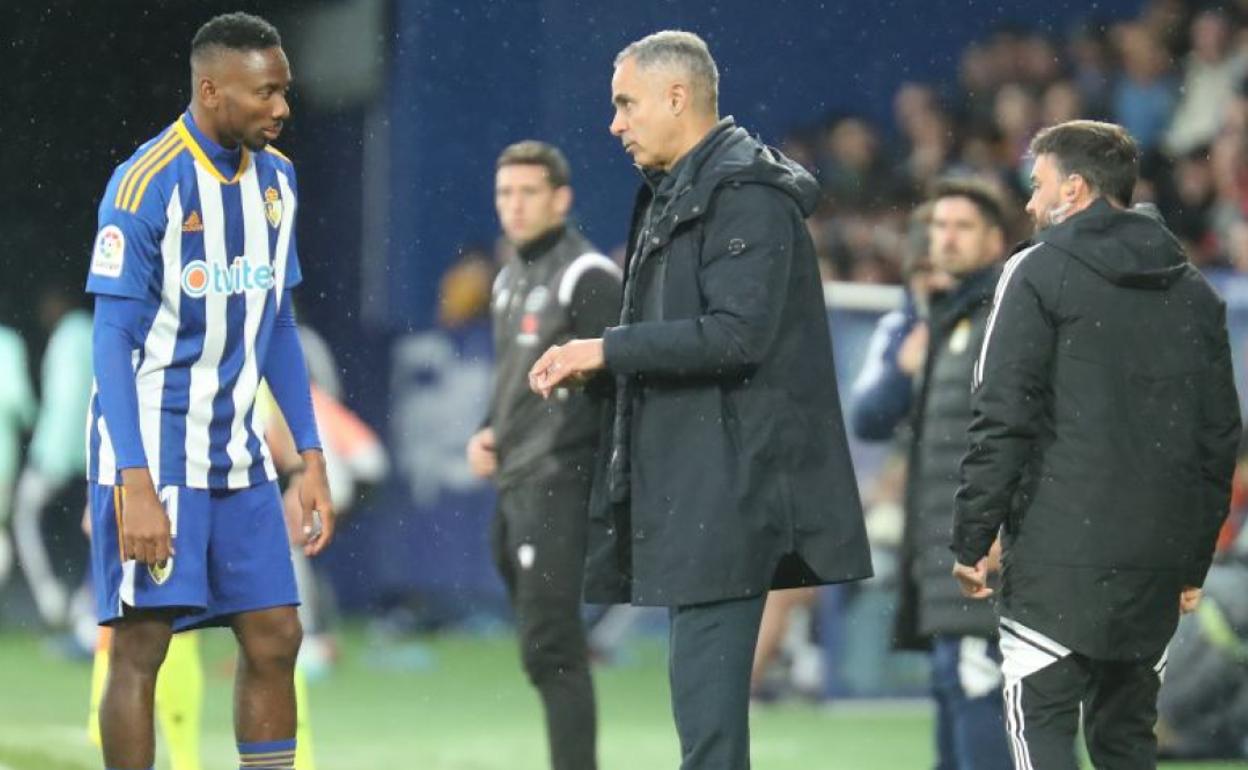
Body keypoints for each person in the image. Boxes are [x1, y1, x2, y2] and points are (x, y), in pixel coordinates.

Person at [528, 30, 873, 769]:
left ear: (677, 97)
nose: (614, 124)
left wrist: (607, 349)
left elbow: (736, 336)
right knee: (702, 719)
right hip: (699, 487)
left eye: (626, 104)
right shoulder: (682, 189)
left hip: (731, 492)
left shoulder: (744, 195)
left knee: (709, 730)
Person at [85, 13, 333, 770]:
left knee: (276, 634)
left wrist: (311, 451)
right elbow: (111, 341)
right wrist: (134, 480)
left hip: (238, 456)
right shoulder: (147, 182)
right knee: (142, 645)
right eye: (265, 92)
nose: (281, 108)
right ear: (211, 88)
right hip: (155, 452)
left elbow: (278, 325)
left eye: (285, 90)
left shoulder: (279, 183)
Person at [951, 119, 1241, 769]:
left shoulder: (1034, 272)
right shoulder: (1194, 290)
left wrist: (973, 536)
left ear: (1074, 190)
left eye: (1037, 185)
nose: (1028, 203)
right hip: (1154, 566)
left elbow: (1001, 418)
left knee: (1042, 729)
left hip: (1057, 561)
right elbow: (1218, 440)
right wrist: (1190, 563)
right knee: (1127, 741)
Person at [465, 140, 621, 770]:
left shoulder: (587, 277)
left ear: (562, 199)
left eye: (529, 192)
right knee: (542, 648)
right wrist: (488, 428)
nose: (515, 205)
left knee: (552, 647)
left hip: (561, 479)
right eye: (505, 193)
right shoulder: (509, 277)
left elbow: (615, 380)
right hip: (517, 479)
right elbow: (513, 376)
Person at [890, 179, 1014, 770]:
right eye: (938, 226)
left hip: (982, 569)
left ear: (996, 239)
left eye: (962, 227)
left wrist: (997, 531)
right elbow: (873, 417)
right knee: (958, 702)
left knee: (983, 706)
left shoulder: (1004, 315)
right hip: (945, 565)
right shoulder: (947, 315)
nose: (946, 238)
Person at [10, 286, 93, 628]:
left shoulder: (69, 335)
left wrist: (47, 450)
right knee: (83, 526)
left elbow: (68, 398)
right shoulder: (93, 330)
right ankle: (82, 600)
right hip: (91, 455)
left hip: (58, 453)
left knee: (24, 513)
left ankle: (53, 600)